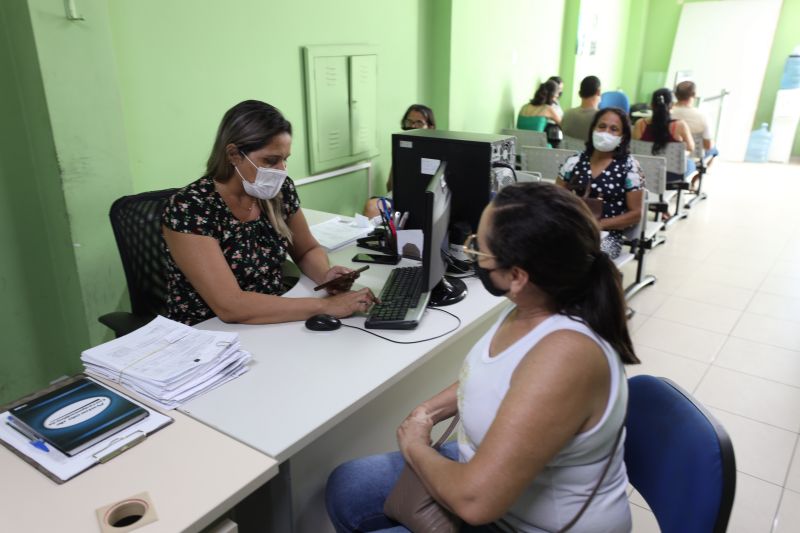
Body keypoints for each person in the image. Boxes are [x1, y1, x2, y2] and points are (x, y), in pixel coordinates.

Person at [326, 181, 639, 532]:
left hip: (514, 519)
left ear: (517, 276)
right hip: (489, 484)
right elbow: (494, 375)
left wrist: (415, 446)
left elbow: (475, 503)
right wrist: (428, 410)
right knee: (348, 484)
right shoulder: (532, 304)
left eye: (479, 247)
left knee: (356, 493)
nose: (472, 252)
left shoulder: (568, 356)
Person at [162, 100, 377, 326]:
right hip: (209, 332)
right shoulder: (191, 207)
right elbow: (230, 305)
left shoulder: (279, 192)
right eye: (271, 160)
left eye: (285, 159)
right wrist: (326, 306)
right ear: (234, 154)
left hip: (273, 315)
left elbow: (306, 250)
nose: (281, 171)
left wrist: (325, 276)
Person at [557, 107, 645, 259]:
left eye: (614, 129)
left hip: (606, 234)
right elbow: (555, 199)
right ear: (593, 130)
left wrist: (598, 225)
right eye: (602, 126)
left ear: (622, 137)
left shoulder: (629, 167)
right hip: (573, 228)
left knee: (584, 257)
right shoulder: (574, 161)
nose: (606, 132)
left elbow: (636, 214)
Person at [363, 104, 436, 218]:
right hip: (400, 196)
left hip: (424, 199)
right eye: (409, 122)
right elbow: (390, 184)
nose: (413, 126)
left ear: (430, 127)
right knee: (371, 207)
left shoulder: (438, 148)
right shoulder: (401, 144)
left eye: (419, 122)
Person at [632, 88, 695, 181]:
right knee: (691, 164)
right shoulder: (680, 125)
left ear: (651, 105)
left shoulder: (640, 124)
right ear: (672, 105)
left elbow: (635, 148)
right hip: (671, 176)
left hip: (644, 172)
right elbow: (691, 147)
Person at [670, 80, 719, 157]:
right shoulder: (703, 116)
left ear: (675, 95)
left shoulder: (665, 114)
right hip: (692, 157)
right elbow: (708, 146)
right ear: (695, 95)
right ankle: (704, 168)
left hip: (669, 155)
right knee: (715, 150)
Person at [561, 75, 602, 141]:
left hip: (568, 151)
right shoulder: (601, 117)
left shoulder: (567, 113)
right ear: (598, 92)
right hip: (588, 151)